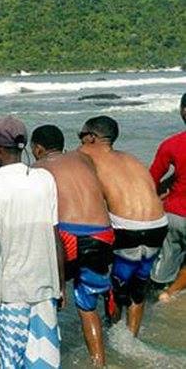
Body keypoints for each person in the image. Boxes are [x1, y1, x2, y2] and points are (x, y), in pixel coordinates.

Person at [0, 116, 64, 369]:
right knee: (44, 362)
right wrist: (60, 284)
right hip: (45, 286)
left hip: (10, 291)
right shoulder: (45, 179)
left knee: (10, 361)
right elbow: (55, 236)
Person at [31, 125, 114, 366]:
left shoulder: (36, 169)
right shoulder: (82, 158)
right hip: (102, 234)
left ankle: (42, 354)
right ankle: (99, 361)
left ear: (37, 149)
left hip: (67, 235)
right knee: (88, 304)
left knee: (47, 294)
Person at [78, 116, 168, 337]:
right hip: (159, 223)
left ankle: (114, 335)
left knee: (117, 286)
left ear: (91, 137)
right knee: (138, 287)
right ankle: (132, 337)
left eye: (81, 136)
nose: (79, 141)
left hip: (127, 227)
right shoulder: (131, 159)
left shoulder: (86, 155)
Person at [150, 93, 186, 302]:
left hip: (174, 214)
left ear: (182, 111)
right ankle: (171, 294)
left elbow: (151, 179)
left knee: (165, 261)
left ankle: (158, 292)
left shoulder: (171, 144)